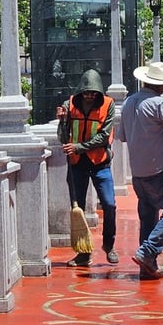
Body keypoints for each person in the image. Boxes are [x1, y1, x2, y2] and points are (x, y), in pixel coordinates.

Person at [118, 61, 163, 280]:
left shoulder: (129, 103)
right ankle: (147, 252)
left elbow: (122, 136)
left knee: (148, 217)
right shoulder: (159, 104)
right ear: (161, 86)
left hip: (138, 173)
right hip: (158, 171)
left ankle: (147, 268)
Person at [56, 69, 119, 267]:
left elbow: (104, 136)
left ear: (99, 92)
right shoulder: (69, 105)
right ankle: (83, 254)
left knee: (109, 204)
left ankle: (109, 245)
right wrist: (62, 120)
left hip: (100, 162)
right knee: (78, 208)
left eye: (93, 93)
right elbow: (62, 137)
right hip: (77, 164)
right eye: (87, 92)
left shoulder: (108, 105)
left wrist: (79, 147)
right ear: (81, 90)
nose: (90, 96)